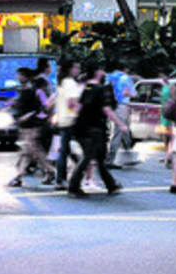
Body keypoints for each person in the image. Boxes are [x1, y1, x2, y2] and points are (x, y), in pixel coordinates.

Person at [67, 61, 129, 197]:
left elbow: (78, 107)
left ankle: (111, 185)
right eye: (101, 70)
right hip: (95, 128)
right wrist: (121, 124)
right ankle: (73, 185)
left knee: (99, 158)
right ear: (97, 72)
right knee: (88, 157)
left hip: (83, 127)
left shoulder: (86, 88)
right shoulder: (101, 89)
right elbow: (107, 109)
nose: (103, 73)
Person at [9, 67, 56, 187]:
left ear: (25, 77)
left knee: (27, 151)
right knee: (35, 151)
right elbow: (22, 104)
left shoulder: (33, 90)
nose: (17, 78)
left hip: (32, 125)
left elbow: (41, 107)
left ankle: (18, 176)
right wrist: (12, 104)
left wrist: (28, 115)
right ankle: (50, 171)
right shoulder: (22, 90)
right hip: (23, 125)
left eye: (20, 75)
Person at [54, 60, 83, 190]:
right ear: (70, 69)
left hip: (63, 119)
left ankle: (62, 178)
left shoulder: (61, 83)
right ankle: (65, 178)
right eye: (76, 67)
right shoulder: (70, 83)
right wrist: (82, 110)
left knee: (65, 151)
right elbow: (72, 103)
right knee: (82, 150)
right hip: (72, 119)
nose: (78, 70)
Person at [106, 65, 136, 168]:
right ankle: (110, 159)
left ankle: (128, 153)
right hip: (123, 106)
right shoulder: (125, 78)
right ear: (126, 69)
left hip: (114, 106)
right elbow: (129, 93)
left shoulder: (110, 77)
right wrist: (131, 94)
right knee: (119, 132)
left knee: (124, 131)